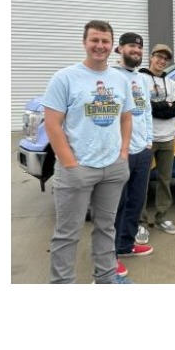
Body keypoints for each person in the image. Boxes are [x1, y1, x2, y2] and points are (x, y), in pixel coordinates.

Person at [43, 20, 134, 284]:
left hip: (113, 167)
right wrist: (70, 164)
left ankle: (106, 279)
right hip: (77, 168)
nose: (100, 46)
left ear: (112, 45)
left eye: (105, 41)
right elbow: (52, 124)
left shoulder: (120, 79)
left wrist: (123, 154)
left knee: (106, 228)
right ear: (84, 42)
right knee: (67, 234)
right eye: (94, 40)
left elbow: (126, 118)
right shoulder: (65, 78)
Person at [112, 33, 155, 276]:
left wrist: (148, 141)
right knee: (115, 205)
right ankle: (109, 256)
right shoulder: (111, 76)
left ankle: (126, 245)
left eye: (139, 47)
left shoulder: (141, 79)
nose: (136, 50)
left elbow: (146, 110)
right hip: (121, 152)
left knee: (135, 202)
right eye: (131, 46)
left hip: (142, 150)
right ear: (119, 49)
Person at [136, 43, 175, 237]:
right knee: (141, 181)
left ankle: (161, 217)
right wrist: (166, 105)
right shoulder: (139, 79)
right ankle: (140, 222)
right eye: (159, 57)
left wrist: (156, 107)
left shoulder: (171, 83)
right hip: (145, 138)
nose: (162, 61)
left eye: (166, 59)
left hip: (167, 138)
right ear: (151, 56)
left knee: (165, 180)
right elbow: (142, 106)